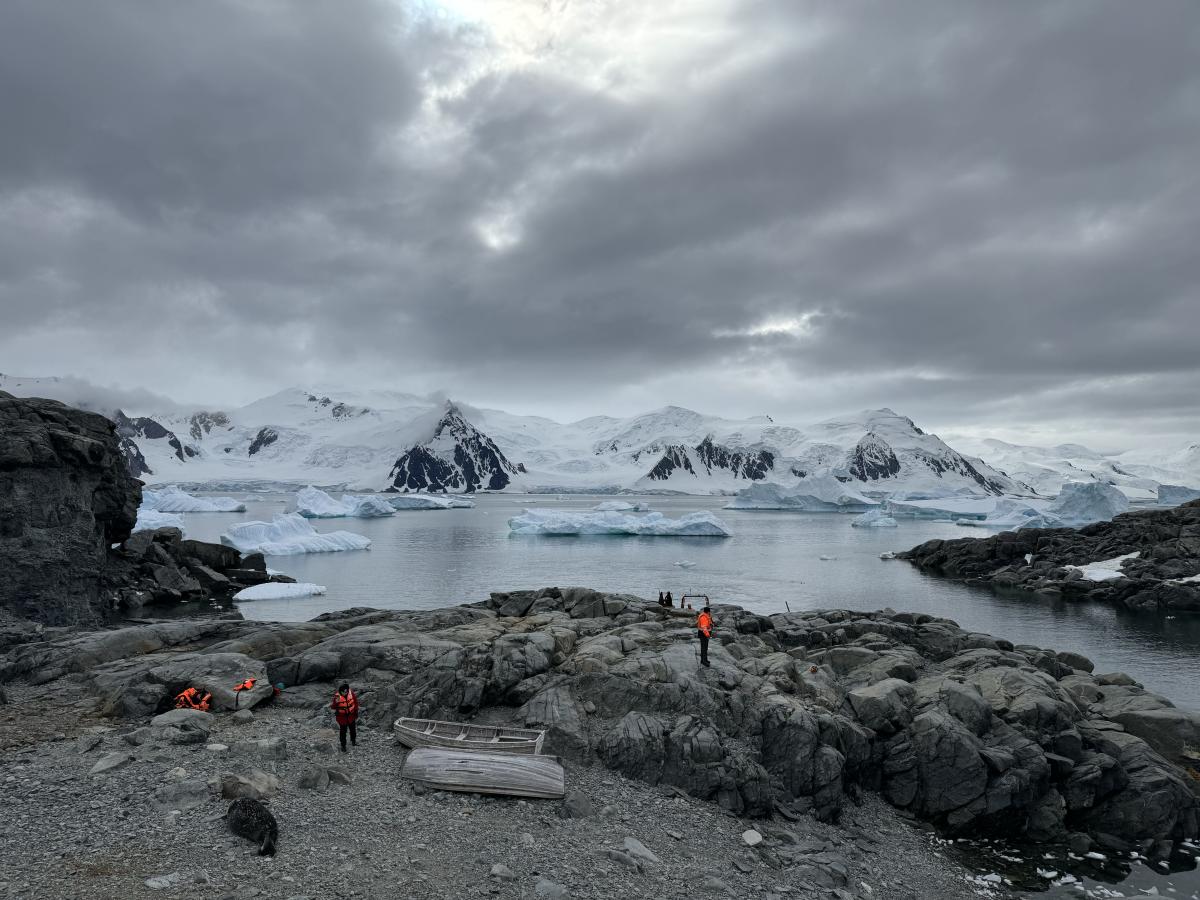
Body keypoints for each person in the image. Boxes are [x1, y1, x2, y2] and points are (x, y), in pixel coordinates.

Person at [331, 683, 359, 752]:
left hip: (351, 715)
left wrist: (356, 712)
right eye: (344, 692)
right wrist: (336, 702)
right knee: (343, 732)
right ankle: (343, 745)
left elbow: (355, 702)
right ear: (341, 691)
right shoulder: (337, 697)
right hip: (342, 718)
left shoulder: (351, 693)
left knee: (353, 729)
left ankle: (353, 741)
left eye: (346, 691)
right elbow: (333, 707)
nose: (345, 693)